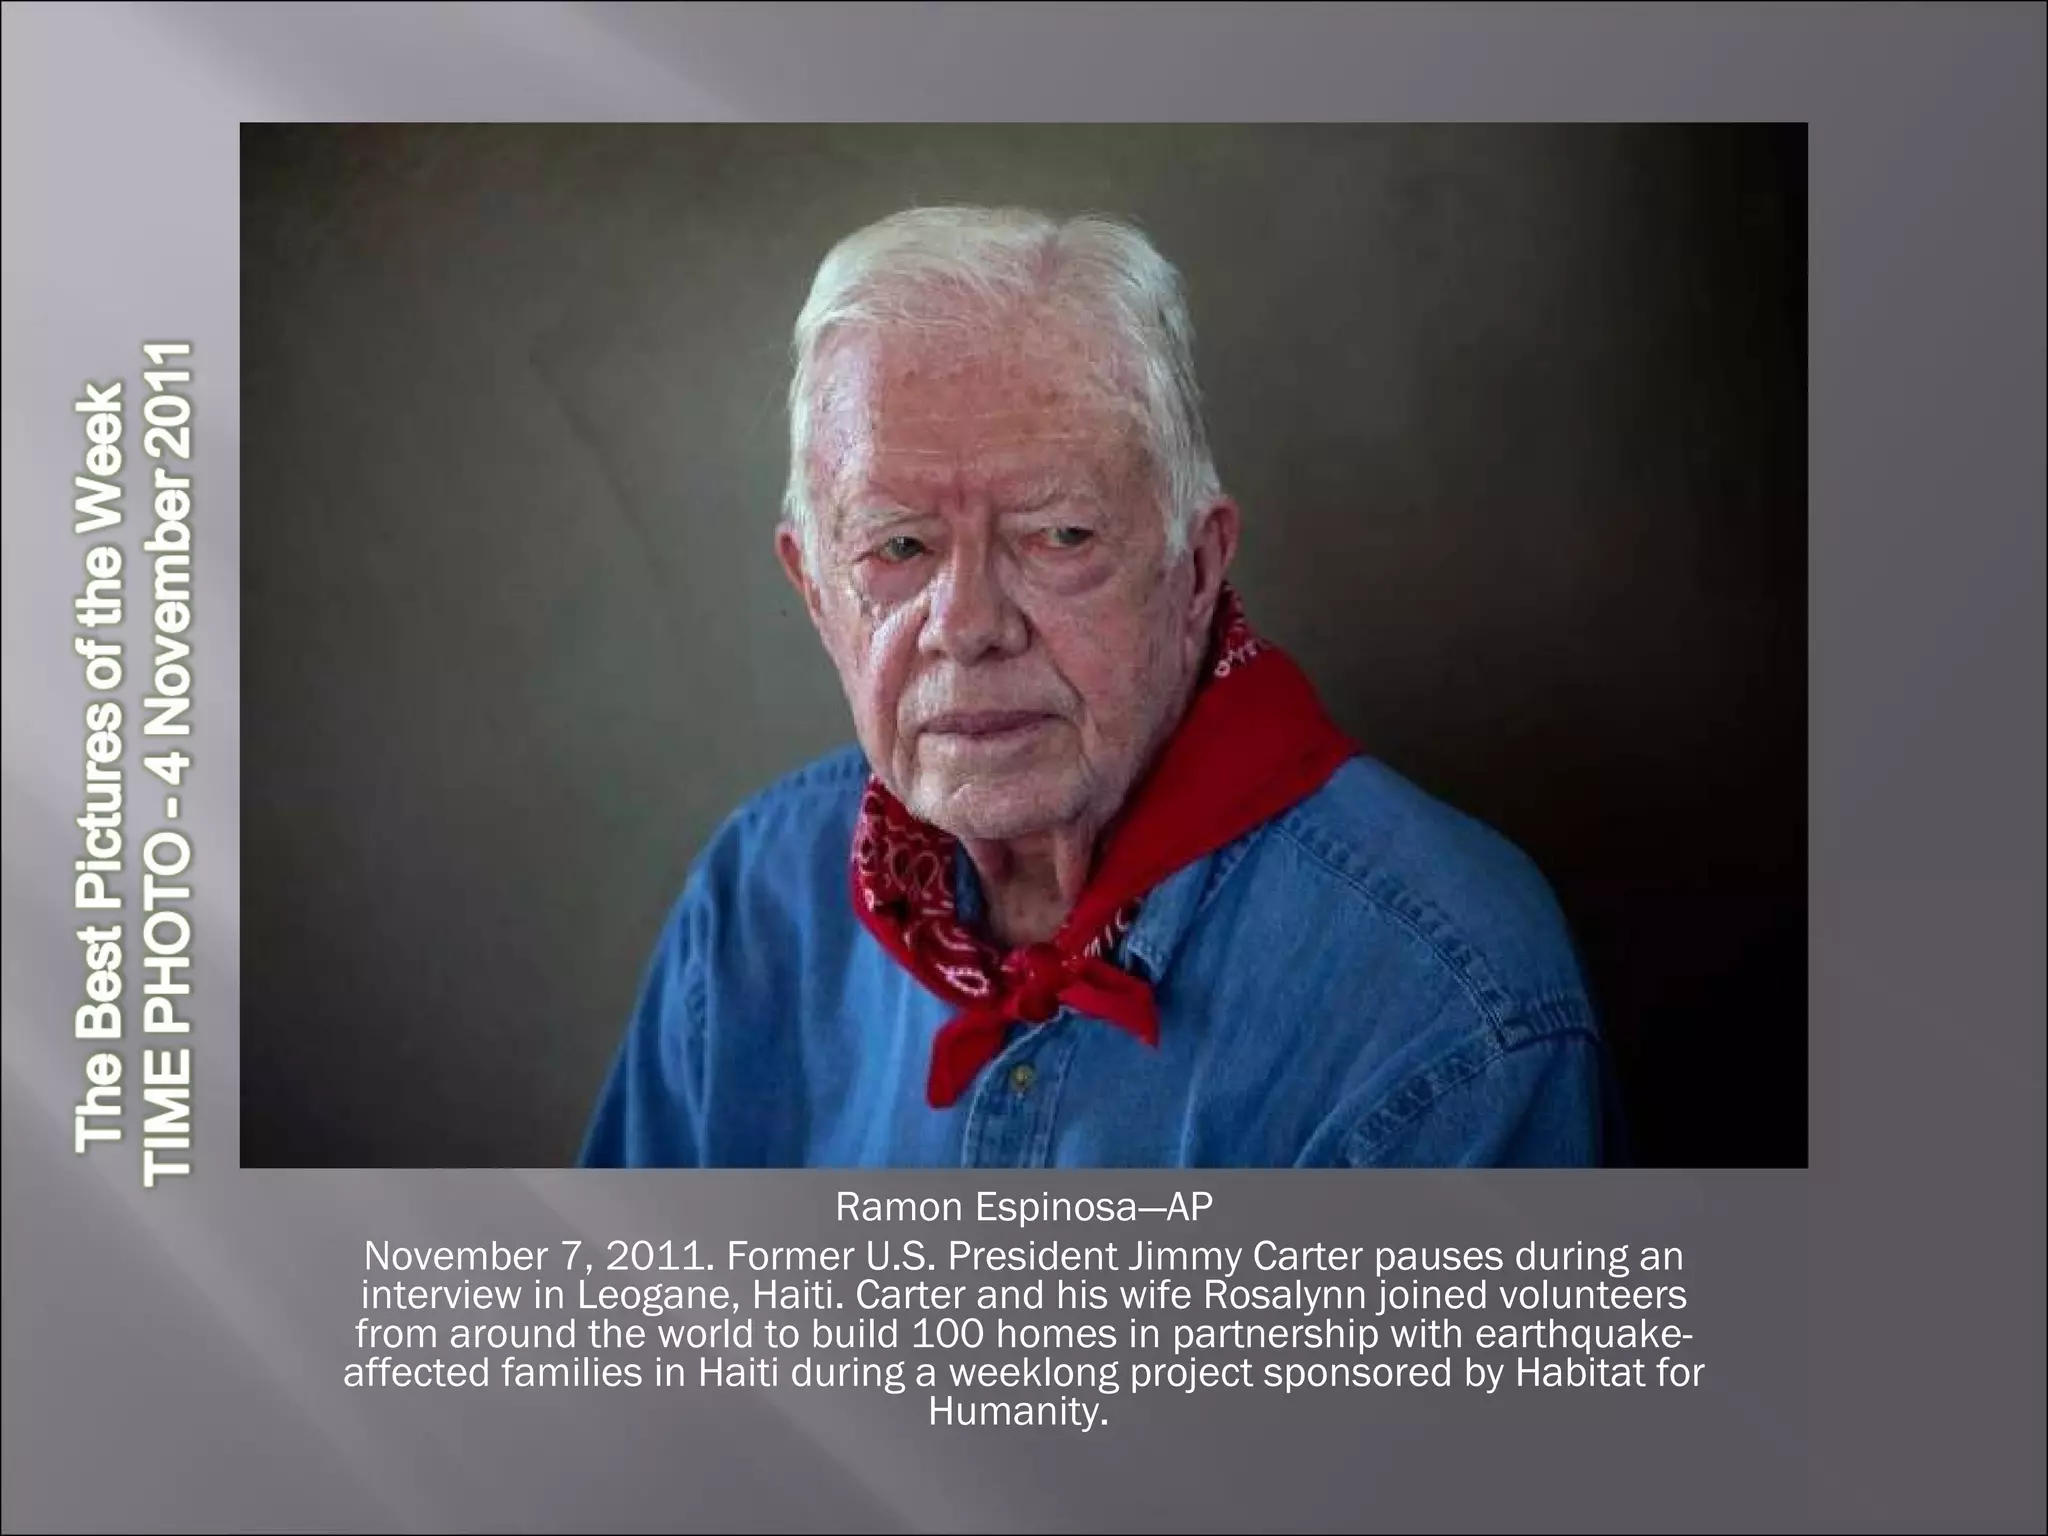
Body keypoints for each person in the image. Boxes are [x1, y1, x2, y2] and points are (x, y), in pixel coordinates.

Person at [579, 205, 1604, 1168]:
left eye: (1058, 535)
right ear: (814, 590)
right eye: (897, 546)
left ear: (1195, 568)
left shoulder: (1444, 990)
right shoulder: (753, 905)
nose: (969, 626)